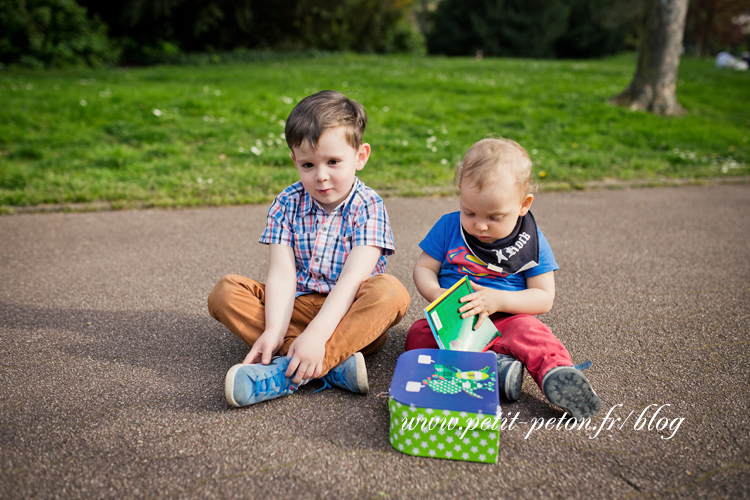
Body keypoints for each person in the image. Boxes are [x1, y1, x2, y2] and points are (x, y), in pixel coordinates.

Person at [208, 90, 410, 407]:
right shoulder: (286, 203)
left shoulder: (369, 205)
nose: (321, 176)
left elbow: (353, 280)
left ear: (361, 156)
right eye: (307, 165)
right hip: (296, 308)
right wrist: (274, 329)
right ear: (294, 160)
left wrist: (317, 336)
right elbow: (282, 274)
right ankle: (327, 365)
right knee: (225, 292)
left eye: (333, 162)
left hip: (349, 315)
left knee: (391, 293)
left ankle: (286, 370)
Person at [404, 138, 601, 420]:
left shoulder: (530, 240)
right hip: (456, 320)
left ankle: (556, 372)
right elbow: (424, 267)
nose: (480, 225)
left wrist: (498, 300)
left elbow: (544, 297)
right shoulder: (448, 226)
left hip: (508, 317)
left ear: (524, 204)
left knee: (532, 335)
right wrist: (437, 293)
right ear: (460, 193)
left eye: (495, 217)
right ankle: (497, 370)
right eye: (469, 212)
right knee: (417, 336)